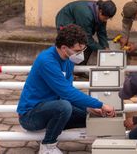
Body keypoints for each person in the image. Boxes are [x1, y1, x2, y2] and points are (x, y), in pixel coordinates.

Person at [17, 24, 115, 154]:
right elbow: (67, 93)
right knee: (64, 107)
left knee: (88, 116)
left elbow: (68, 90)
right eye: (77, 51)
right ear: (64, 48)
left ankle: (107, 142)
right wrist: (100, 104)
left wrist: (90, 108)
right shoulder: (46, 61)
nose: (80, 55)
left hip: (51, 108)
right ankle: (47, 146)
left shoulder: (68, 60)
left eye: (82, 50)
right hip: (30, 116)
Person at [55, 0, 117, 65]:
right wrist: (101, 50)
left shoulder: (103, 12)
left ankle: (80, 70)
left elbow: (102, 32)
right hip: (65, 20)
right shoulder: (86, 15)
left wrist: (105, 47)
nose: (106, 20)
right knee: (71, 45)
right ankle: (64, 67)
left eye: (107, 18)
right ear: (100, 11)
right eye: (105, 18)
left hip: (79, 21)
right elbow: (87, 38)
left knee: (87, 46)